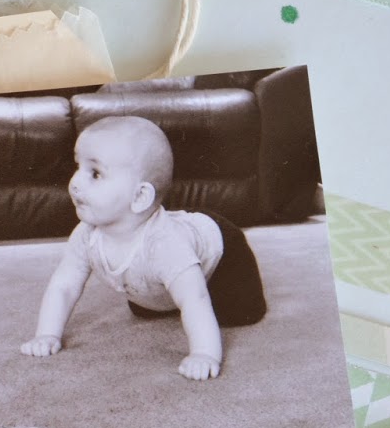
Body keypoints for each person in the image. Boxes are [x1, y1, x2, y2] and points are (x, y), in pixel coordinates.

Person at [21, 115, 266, 381]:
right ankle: (168, 286)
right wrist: (47, 334)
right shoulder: (86, 234)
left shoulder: (165, 245)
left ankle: (192, 284)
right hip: (156, 263)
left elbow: (194, 299)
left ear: (139, 196)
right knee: (145, 305)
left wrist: (204, 354)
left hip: (223, 246)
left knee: (241, 312)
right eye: (78, 167)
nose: (75, 183)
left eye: (95, 174)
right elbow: (64, 285)